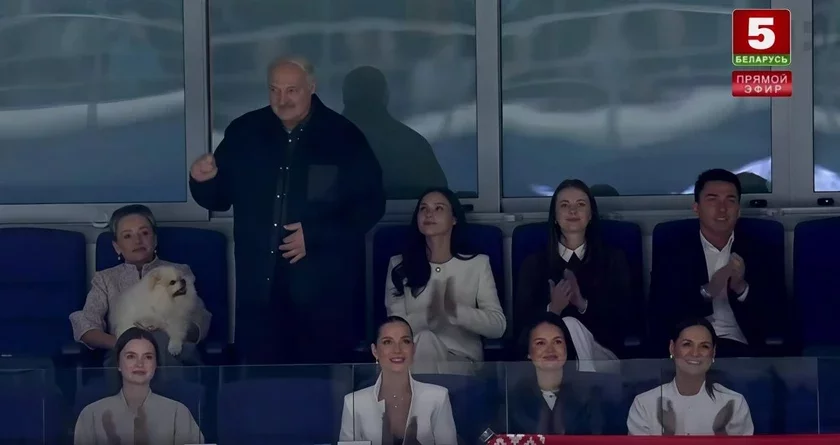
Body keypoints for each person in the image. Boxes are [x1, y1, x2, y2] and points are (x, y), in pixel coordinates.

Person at [189, 56, 385, 364]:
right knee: (261, 384)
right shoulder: (244, 132)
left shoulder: (343, 137)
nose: (282, 100)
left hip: (323, 295)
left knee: (321, 385)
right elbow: (219, 199)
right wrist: (203, 181)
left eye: (291, 90)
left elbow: (371, 204)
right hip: (259, 293)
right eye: (275, 90)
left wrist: (316, 235)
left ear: (312, 87)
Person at [649, 169, 785, 357]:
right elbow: (661, 312)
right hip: (688, 349)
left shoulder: (760, 248)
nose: (722, 209)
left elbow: (777, 315)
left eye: (730, 201)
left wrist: (741, 288)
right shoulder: (673, 249)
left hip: (739, 346)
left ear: (738, 210)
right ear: (696, 208)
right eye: (712, 200)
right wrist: (708, 291)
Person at [69, 205, 211, 365]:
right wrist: (123, 343)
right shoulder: (105, 279)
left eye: (144, 233)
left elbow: (200, 320)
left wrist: (167, 330)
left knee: (160, 342)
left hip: (174, 353)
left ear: (155, 239)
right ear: (117, 247)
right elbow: (86, 325)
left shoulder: (179, 272)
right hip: (124, 355)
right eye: (127, 236)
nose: (137, 241)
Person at [386, 188, 506, 374]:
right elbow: (395, 328)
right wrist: (429, 315)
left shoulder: (478, 264)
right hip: (412, 358)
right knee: (425, 340)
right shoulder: (399, 265)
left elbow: (497, 326)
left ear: (454, 218)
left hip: (461, 359)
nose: (429, 214)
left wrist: (455, 312)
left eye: (438, 208)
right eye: (423, 208)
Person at [514, 180, 634, 355]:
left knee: (571, 324)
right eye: (564, 205)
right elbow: (521, 331)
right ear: (554, 216)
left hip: (600, 356)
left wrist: (582, 304)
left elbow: (624, 322)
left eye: (580, 204)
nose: (572, 211)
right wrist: (553, 309)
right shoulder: (534, 264)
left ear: (591, 214)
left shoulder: (613, 260)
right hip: (547, 358)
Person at [339, 316, 458, 445]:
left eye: (405, 341)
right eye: (387, 342)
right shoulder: (353, 403)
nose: (397, 350)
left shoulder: (438, 398)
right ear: (375, 351)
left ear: (413, 349)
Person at [74, 327, 204, 445]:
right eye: (131, 356)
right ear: (118, 364)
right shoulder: (91, 414)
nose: (140, 364)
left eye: (148, 357)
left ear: (156, 364)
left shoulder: (178, 413)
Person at [627, 318, 753, 436]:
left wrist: (721, 434)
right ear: (672, 348)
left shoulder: (734, 403)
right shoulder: (644, 404)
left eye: (704, 346)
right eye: (687, 344)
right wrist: (668, 434)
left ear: (713, 352)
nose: (695, 353)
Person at [342, 66, 447, 200]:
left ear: (344, 98)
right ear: (386, 96)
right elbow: (441, 201)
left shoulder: (324, 144)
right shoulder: (416, 146)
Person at [508, 313, 610, 435]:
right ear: (528, 352)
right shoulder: (513, 399)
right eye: (540, 343)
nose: (550, 350)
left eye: (557, 342)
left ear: (566, 347)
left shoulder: (588, 395)